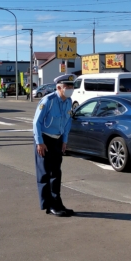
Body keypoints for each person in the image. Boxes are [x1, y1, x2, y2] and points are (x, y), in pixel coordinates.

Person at [32, 74, 76, 217]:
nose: (70, 89)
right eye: (67, 87)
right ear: (58, 87)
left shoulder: (68, 101)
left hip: (57, 139)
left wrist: (64, 140)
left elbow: (68, 121)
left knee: (56, 172)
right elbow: (36, 122)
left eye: (71, 86)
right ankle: (48, 205)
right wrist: (39, 142)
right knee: (45, 173)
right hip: (44, 140)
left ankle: (57, 202)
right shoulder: (48, 100)